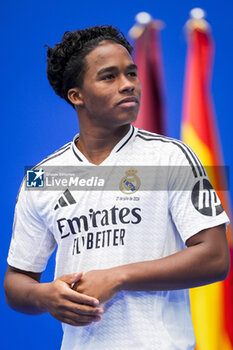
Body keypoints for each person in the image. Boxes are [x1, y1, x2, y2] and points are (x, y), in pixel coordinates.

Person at [4, 25, 230, 350]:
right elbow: (16, 283)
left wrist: (116, 276)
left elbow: (215, 257)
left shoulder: (170, 156)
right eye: (109, 77)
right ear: (76, 96)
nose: (128, 85)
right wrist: (44, 295)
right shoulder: (43, 178)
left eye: (131, 74)